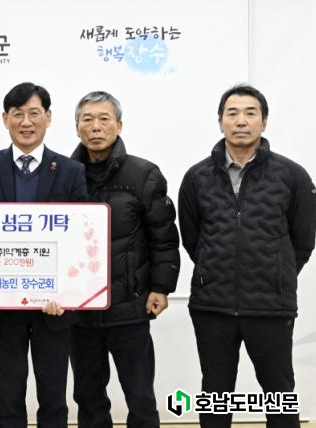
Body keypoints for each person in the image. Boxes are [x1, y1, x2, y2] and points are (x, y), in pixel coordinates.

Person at [178, 84, 316, 427]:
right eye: (233, 113)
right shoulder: (196, 177)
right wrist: (214, 270)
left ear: (264, 122)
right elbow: (193, 239)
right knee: (215, 395)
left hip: (270, 306)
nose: (241, 121)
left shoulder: (292, 176)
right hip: (213, 307)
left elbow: (302, 242)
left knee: (279, 394)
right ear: (220, 121)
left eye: (250, 113)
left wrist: (276, 274)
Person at [0, 82, 88, 428]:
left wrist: (67, 292)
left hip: (54, 306)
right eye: (17, 114)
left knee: (54, 398)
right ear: (5, 119)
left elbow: (80, 237)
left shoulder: (70, 171)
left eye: (34, 113)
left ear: (48, 118)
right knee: (8, 396)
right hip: (3, 308)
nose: (26, 122)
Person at [69, 91, 180, 428]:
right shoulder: (65, 175)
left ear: (119, 125)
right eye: (87, 119)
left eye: (104, 119)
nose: (96, 127)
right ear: (77, 127)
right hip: (80, 311)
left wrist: (161, 288)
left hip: (130, 308)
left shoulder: (143, 174)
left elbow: (163, 238)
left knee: (140, 397)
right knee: (88, 398)